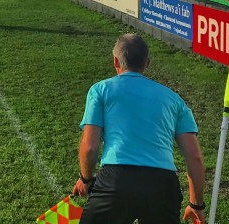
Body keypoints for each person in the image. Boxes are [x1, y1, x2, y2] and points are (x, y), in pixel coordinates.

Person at [73, 34, 206, 224]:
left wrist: (86, 179)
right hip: (162, 184)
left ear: (115, 61)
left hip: (116, 180)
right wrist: (196, 204)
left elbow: (90, 146)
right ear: (147, 63)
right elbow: (194, 157)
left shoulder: (100, 90)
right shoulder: (174, 99)